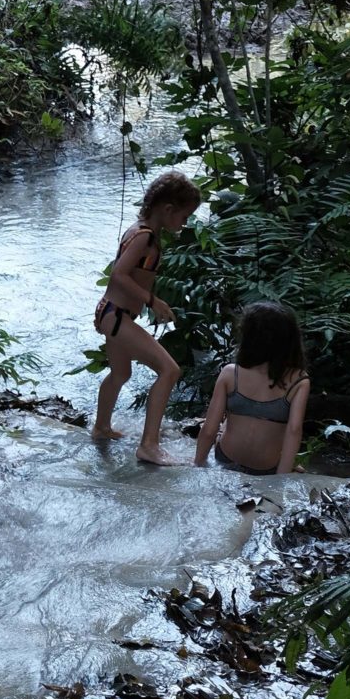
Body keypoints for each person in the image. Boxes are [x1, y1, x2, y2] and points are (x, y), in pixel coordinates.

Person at [91, 169, 201, 466]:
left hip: (111, 313)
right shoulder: (145, 237)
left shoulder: (138, 230)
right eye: (184, 215)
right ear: (167, 209)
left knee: (121, 373)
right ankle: (149, 445)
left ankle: (101, 427)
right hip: (117, 316)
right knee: (170, 370)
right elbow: (119, 274)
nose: (185, 222)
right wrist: (152, 300)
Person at [193, 301, 309, 477]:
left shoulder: (230, 373)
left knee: (225, 423)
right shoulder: (299, 380)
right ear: (291, 341)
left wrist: (198, 464)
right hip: (266, 467)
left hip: (226, 458)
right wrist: (281, 477)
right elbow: (294, 431)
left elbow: (209, 429)